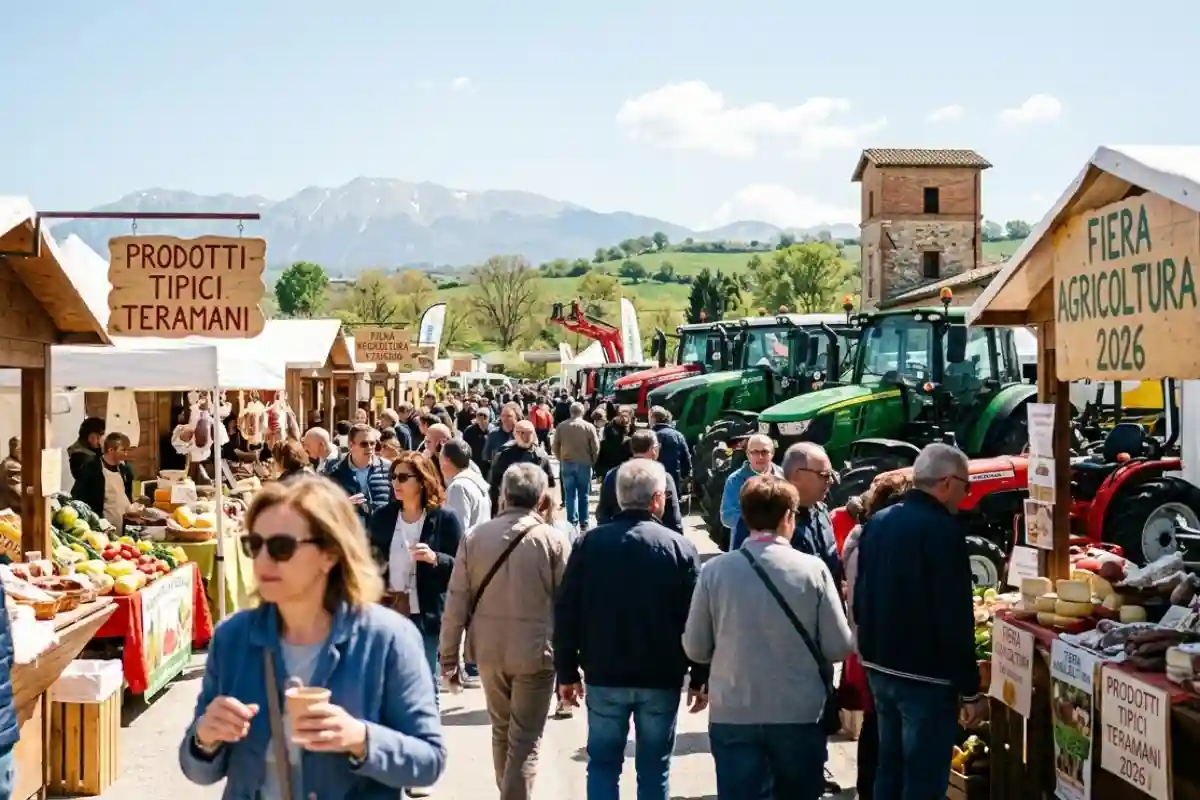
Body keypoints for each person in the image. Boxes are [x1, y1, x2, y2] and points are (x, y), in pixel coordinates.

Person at [178, 478, 446, 798]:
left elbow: (429, 760)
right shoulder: (233, 638)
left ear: (329, 555)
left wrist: (361, 738)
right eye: (254, 545)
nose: (263, 560)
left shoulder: (389, 639)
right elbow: (197, 769)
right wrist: (205, 738)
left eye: (281, 547)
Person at [684, 475, 853, 800]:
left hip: (734, 712)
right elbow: (838, 646)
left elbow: (695, 646)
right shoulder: (813, 570)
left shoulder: (714, 572)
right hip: (799, 715)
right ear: (789, 517)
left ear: (745, 517)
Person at [555, 458, 706, 800]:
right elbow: (697, 617)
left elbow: (566, 612)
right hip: (660, 676)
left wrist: (566, 672)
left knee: (604, 763)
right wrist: (700, 675)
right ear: (656, 499)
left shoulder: (590, 544)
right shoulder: (679, 547)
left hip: (604, 673)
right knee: (655, 766)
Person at [855, 443, 984, 800]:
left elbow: (861, 597)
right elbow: (954, 616)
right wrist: (970, 689)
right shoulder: (944, 531)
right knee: (923, 781)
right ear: (946, 482)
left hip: (880, 666)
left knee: (890, 770)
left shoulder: (879, 522)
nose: (965, 493)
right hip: (926, 678)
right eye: (965, 484)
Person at [439, 464, 568, 800]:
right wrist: (574, 661)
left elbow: (456, 602)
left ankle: (509, 792)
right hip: (537, 653)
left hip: (489, 652)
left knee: (502, 730)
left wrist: (449, 656)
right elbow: (569, 605)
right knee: (525, 739)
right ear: (542, 499)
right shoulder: (553, 540)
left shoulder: (475, 538)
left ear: (504, 495)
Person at [368, 452, 464, 714]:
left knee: (424, 683)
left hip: (426, 613)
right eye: (392, 477)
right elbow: (368, 559)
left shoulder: (445, 519)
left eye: (402, 477)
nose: (395, 483)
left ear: (421, 481)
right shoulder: (382, 518)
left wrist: (436, 558)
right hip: (388, 610)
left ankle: (428, 741)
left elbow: (462, 568)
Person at [842, 472, 912, 800]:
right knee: (879, 727)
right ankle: (870, 789)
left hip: (865, 644)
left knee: (875, 722)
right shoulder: (873, 542)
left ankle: (868, 787)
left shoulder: (860, 539)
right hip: (876, 646)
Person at [595, 429, 683, 533]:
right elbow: (673, 517)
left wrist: (607, 534)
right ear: (654, 449)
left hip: (617, 537)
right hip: (655, 538)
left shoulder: (613, 474)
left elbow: (603, 511)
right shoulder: (663, 477)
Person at [780, 442, 844, 583]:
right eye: (824, 475)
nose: (831, 481)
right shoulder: (773, 521)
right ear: (797, 476)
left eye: (831, 475)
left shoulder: (821, 510)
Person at [721, 434, 782, 551]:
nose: (760, 456)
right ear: (748, 455)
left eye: (764, 452)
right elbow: (727, 516)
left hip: (778, 547)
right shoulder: (735, 480)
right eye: (754, 452)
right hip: (745, 548)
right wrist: (762, 523)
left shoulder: (783, 476)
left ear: (772, 454)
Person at [326, 424, 394, 530]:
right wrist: (345, 504)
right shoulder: (336, 472)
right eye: (364, 444)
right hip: (351, 535)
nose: (370, 447)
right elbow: (326, 508)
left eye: (372, 443)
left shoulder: (388, 468)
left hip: (382, 537)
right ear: (351, 445)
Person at [487, 421, 555, 514]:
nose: (526, 436)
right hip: (509, 508)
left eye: (529, 433)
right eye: (522, 432)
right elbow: (495, 484)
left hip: (535, 508)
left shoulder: (541, 456)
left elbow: (549, 485)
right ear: (515, 434)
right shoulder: (504, 455)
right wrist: (494, 510)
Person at [71, 432, 133, 531]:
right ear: (111, 450)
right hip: (103, 528)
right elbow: (80, 498)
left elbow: (128, 494)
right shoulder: (91, 469)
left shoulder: (125, 470)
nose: (126, 454)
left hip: (124, 526)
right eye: (123, 450)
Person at [552, 402, 599, 531]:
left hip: (567, 462)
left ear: (570, 411)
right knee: (583, 494)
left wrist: (560, 458)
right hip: (584, 462)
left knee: (569, 494)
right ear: (582, 412)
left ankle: (571, 521)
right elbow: (595, 447)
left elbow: (555, 445)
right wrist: (593, 461)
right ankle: (584, 521)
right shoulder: (589, 427)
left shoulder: (561, 426)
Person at [441, 438, 491, 532]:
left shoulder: (458, 487)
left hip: (468, 545)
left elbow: (457, 530)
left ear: (447, 460)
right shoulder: (477, 480)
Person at [649, 406, 691, 495]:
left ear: (653, 418)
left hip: (656, 483)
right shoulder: (679, 435)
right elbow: (686, 460)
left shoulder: (652, 436)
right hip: (675, 481)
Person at [483, 403, 521, 468]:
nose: (505, 419)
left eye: (509, 416)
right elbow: (486, 456)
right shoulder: (493, 434)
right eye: (503, 416)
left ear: (516, 418)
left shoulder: (522, 432)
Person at [67, 417, 105, 481]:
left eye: (101, 436)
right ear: (86, 437)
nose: (99, 440)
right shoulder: (79, 456)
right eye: (97, 437)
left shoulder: (95, 449)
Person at [594, 412, 631, 479]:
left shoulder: (603, 443)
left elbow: (599, 459)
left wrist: (598, 473)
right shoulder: (629, 442)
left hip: (607, 472)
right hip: (623, 473)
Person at [462, 408, 492, 474]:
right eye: (479, 417)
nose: (481, 421)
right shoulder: (469, 431)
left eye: (484, 418)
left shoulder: (492, 430)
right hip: (475, 464)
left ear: (488, 419)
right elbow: (464, 447)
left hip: (489, 466)